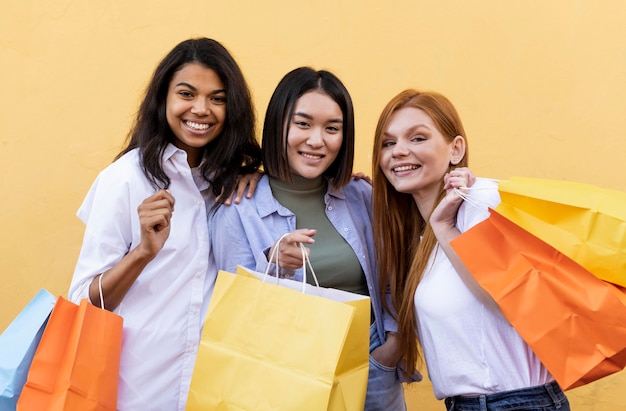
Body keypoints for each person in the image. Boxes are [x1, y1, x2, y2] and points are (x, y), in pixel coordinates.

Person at [68, 37, 262, 411]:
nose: (201, 109)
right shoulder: (125, 180)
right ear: (163, 99)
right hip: (134, 388)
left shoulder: (227, 182)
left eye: (217, 98)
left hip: (210, 390)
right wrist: (142, 253)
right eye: (187, 93)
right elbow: (82, 301)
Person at [209, 66, 414, 410]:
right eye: (303, 124)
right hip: (289, 374)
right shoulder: (237, 209)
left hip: (373, 365)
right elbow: (238, 318)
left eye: (332, 128)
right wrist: (275, 264)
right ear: (278, 125)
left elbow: (393, 276)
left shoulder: (361, 195)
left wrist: (391, 345)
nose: (317, 140)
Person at [371, 89, 571, 410]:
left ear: (456, 149)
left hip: (516, 403)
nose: (399, 151)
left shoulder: (480, 202)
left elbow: (503, 298)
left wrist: (446, 228)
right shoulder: (423, 238)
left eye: (418, 138)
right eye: (388, 143)